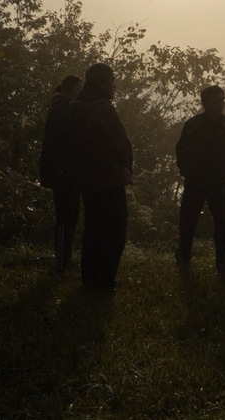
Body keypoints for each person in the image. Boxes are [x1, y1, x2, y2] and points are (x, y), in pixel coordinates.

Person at [68, 62, 133, 291]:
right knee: (115, 229)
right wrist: (127, 167)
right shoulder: (102, 108)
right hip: (108, 177)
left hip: (86, 178)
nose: (114, 86)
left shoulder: (75, 106)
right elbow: (120, 142)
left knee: (94, 228)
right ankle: (105, 279)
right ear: (104, 83)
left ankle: (90, 277)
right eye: (112, 81)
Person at [175, 85, 225, 273]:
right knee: (188, 220)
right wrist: (186, 170)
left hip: (217, 180)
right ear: (206, 102)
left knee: (221, 222)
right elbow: (181, 149)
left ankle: (223, 263)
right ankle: (184, 256)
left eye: (222, 99)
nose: (221, 103)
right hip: (195, 179)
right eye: (216, 100)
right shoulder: (193, 124)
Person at [39, 74, 83, 272]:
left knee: (69, 215)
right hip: (62, 171)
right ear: (68, 90)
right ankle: (61, 260)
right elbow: (60, 141)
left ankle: (64, 259)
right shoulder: (61, 109)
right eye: (76, 90)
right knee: (65, 216)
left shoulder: (62, 107)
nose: (78, 94)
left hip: (65, 170)